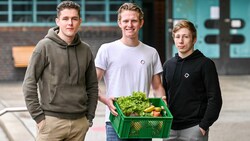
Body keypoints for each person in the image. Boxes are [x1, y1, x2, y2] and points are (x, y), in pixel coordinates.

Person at [22, 1, 98, 141]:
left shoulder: (85, 50)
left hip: (79, 123)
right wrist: (39, 118)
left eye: (74, 19)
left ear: (80, 21)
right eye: (65, 19)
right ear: (58, 21)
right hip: (51, 123)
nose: (70, 23)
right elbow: (29, 83)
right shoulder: (44, 46)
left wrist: (89, 117)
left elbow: (92, 86)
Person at [95, 2, 166, 141]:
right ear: (119, 23)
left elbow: (157, 87)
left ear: (141, 23)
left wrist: (163, 103)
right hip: (116, 119)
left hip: (143, 119)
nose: (130, 25)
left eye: (134, 20)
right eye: (126, 21)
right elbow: (91, 83)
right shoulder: (107, 49)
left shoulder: (151, 52)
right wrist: (106, 100)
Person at [162, 20, 222, 141]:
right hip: (170, 128)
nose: (181, 41)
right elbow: (164, 96)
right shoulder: (168, 65)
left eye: (186, 36)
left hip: (194, 128)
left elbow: (215, 98)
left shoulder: (205, 64)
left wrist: (204, 125)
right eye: (177, 37)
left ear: (194, 39)